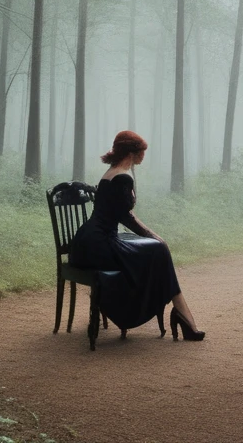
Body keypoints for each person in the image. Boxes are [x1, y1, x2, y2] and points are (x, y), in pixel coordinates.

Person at [69, 130, 205, 341]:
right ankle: (182, 313)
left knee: (156, 250)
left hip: (86, 242)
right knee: (159, 249)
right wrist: (154, 236)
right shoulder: (123, 177)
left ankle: (181, 312)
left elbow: (120, 214)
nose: (144, 155)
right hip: (100, 244)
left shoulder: (111, 172)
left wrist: (152, 237)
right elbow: (126, 217)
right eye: (142, 151)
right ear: (132, 152)